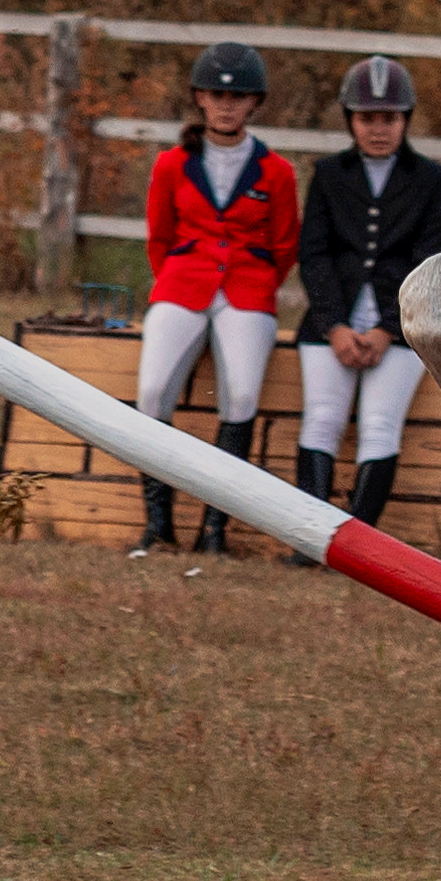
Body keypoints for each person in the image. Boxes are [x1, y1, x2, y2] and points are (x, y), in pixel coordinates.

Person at [130, 41, 300, 557]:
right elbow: (159, 237)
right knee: (152, 391)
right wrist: (179, 283)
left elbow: (284, 245)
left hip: (247, 290)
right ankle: (159, 525)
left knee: (242, 397)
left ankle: (214, 529)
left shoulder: (277, 172)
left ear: (254, 103)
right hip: (183, 282)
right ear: (200, 98)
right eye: (216, 96)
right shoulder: (171, 164)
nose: (227, 106)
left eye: (238, 97)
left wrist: (256, 287)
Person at [292, 55, 441, 535]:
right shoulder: (328, 174)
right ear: (350, 120)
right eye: (367, 118)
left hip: (400, 327)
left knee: (380, 426)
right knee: (322, 419)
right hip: (331, 322)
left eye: (389, 118)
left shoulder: (429, 178)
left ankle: (357, 546)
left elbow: (428, 259)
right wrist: (335, 326)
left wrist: (387, 328)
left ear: (405, 119)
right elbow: (314, 253)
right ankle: (309, 537)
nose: (378, 129)